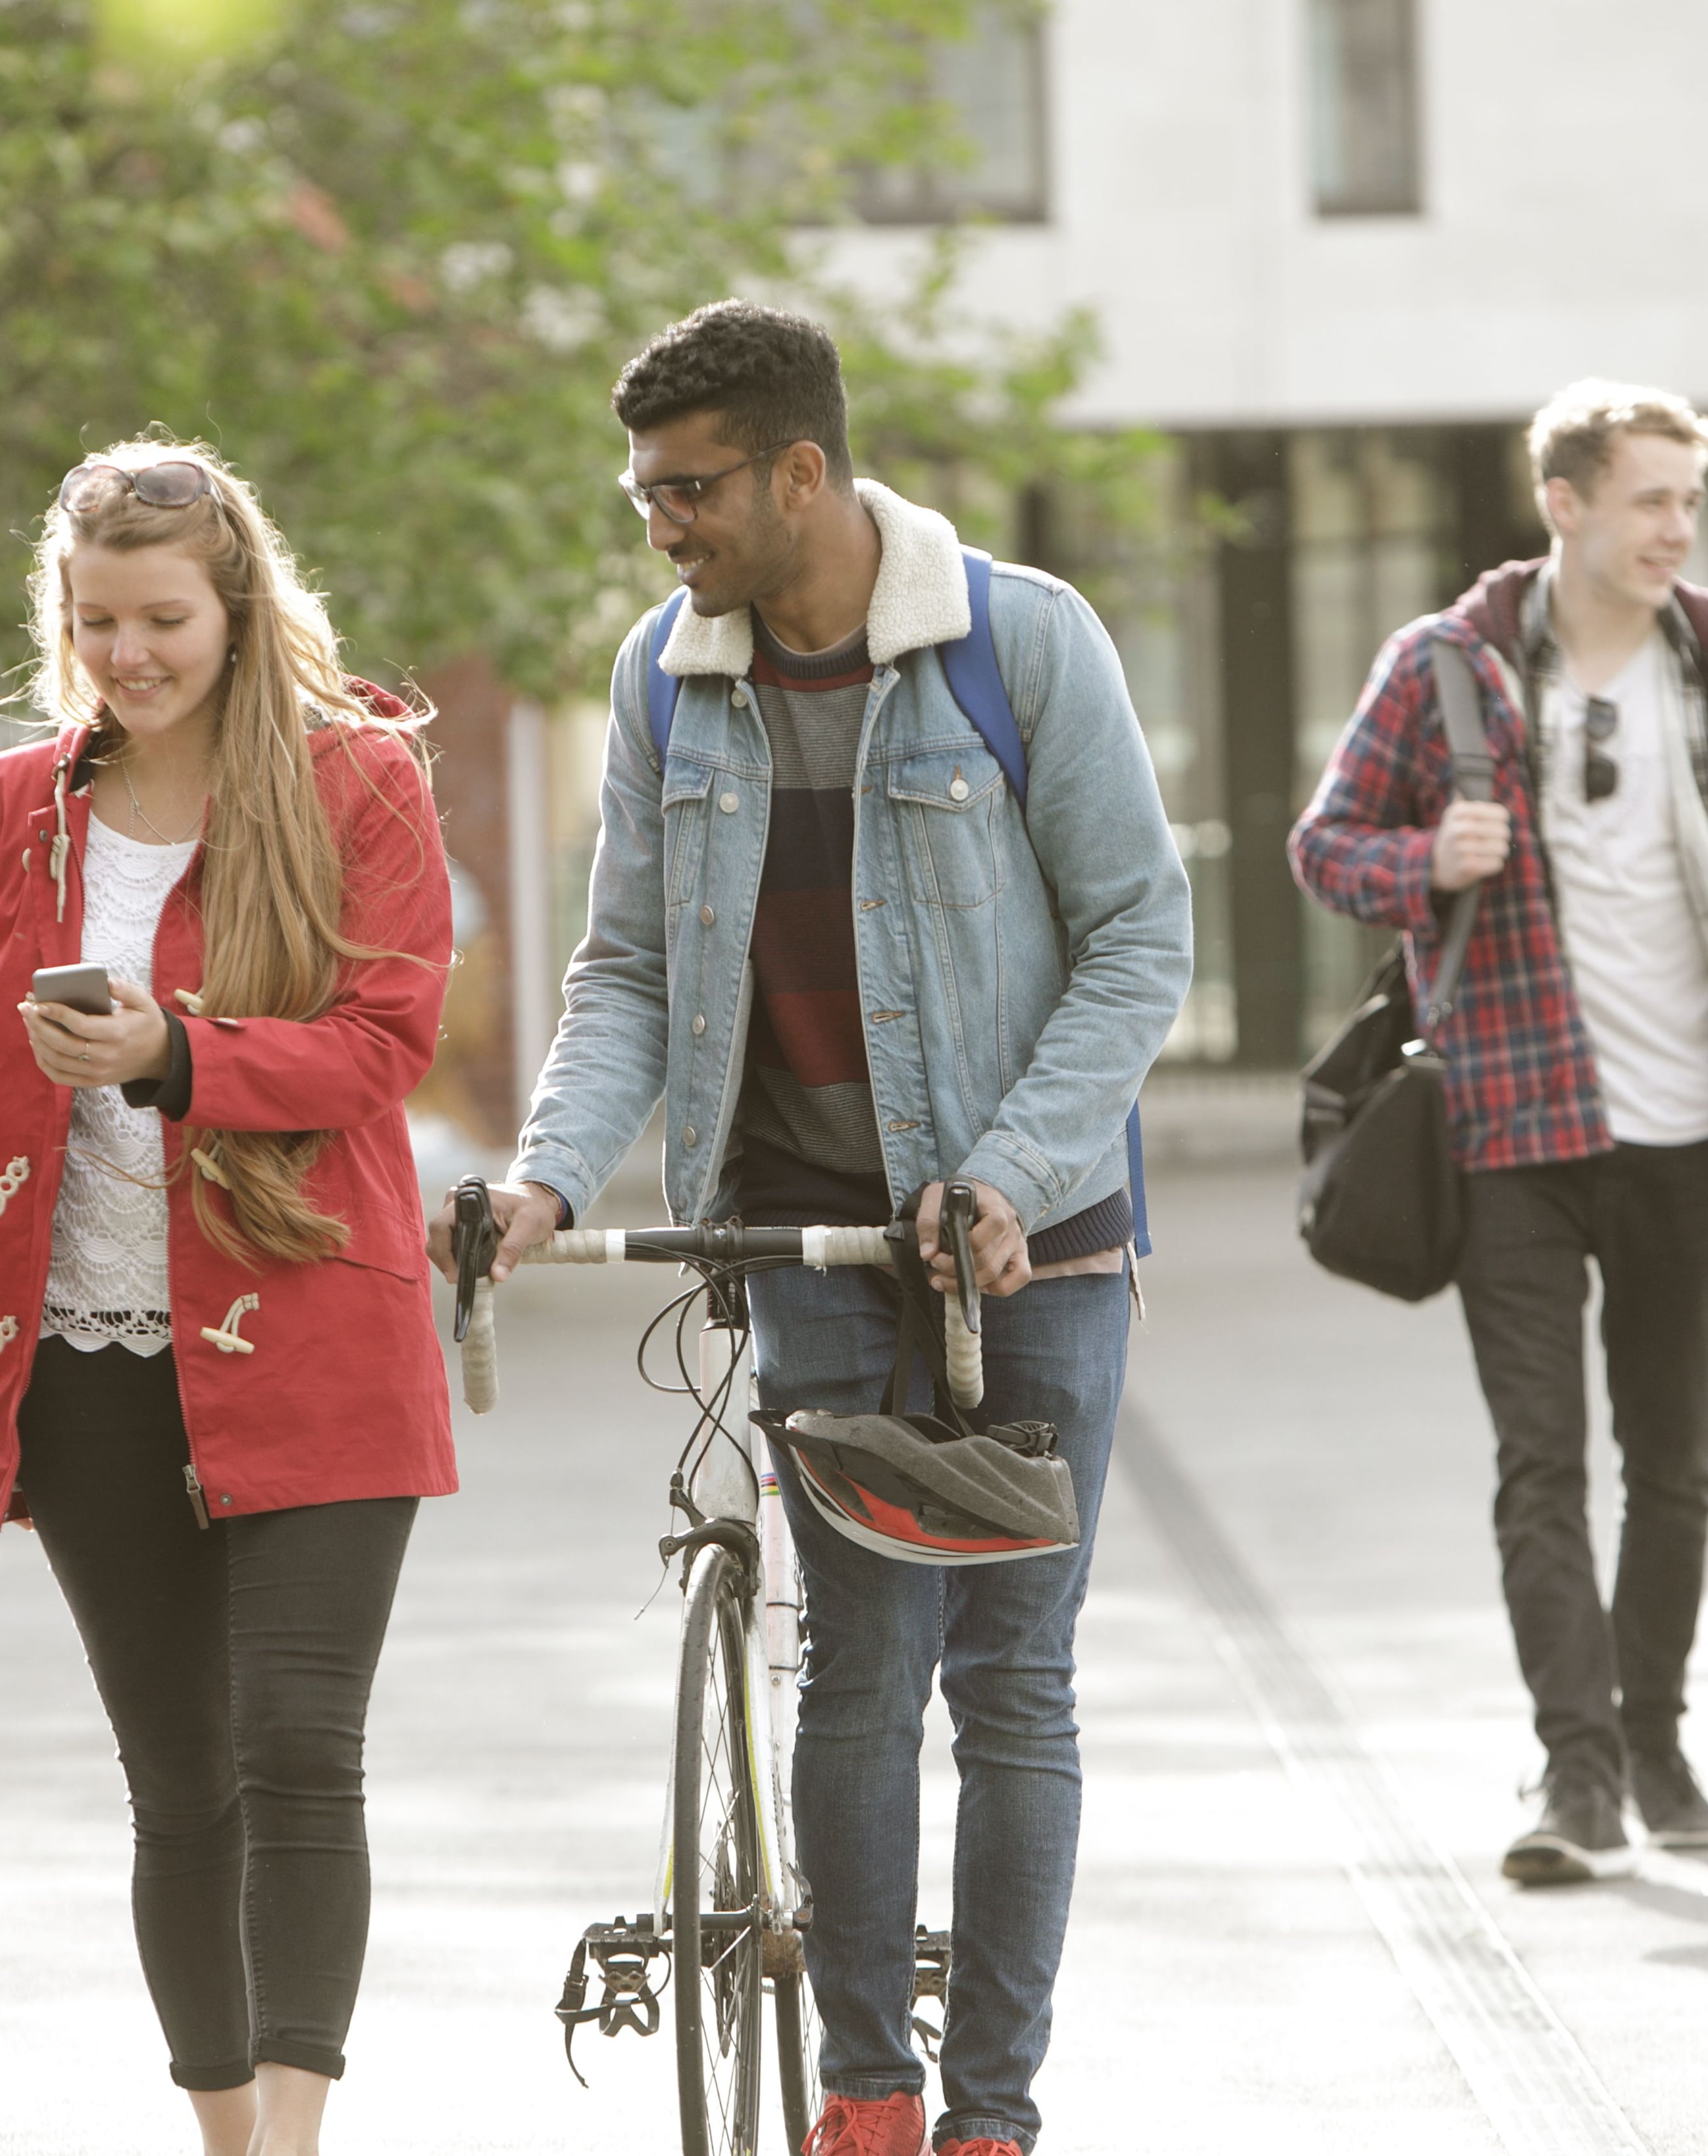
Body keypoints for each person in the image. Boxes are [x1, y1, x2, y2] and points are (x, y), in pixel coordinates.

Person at [434, 301, 1191, 2156]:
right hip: (811, 1241)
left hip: (1041, 1243)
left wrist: (1008, 1163)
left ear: (800, 472)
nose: (660, 526)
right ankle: (865, 2090)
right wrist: (546, 1173)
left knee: (1015, 1674)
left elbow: (1139, 939)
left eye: (688, 490)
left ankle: (991, 2114)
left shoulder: (1022, 643)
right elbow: (623, 968)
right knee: (859, 1658)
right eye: (642, 495)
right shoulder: (661, 677)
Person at [0, 439, 453, 2156]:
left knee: (301, 1740)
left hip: (316, 1333)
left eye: (162, 617)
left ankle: (291, 2137)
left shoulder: (361, 779)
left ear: (237, 605)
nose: (129, 654)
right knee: (178, 1777)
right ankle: (227, 2134)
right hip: (81, 1355)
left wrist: (175, 1056)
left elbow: (385, 1047)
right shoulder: (11, 806)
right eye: (96, 621)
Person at [1290, 380, 1708, 1885]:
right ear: (1563, 501)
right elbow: (1323, 844)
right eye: (1648, 499)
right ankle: (1575, 1767)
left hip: (1694, 1128)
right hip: (1513, 1122)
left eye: (1688, 502)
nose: (1674, 528)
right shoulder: (1443, 669)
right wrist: (1425, 856)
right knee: (1539, 1463)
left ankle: (1654, 1729)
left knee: (1671, 1457)